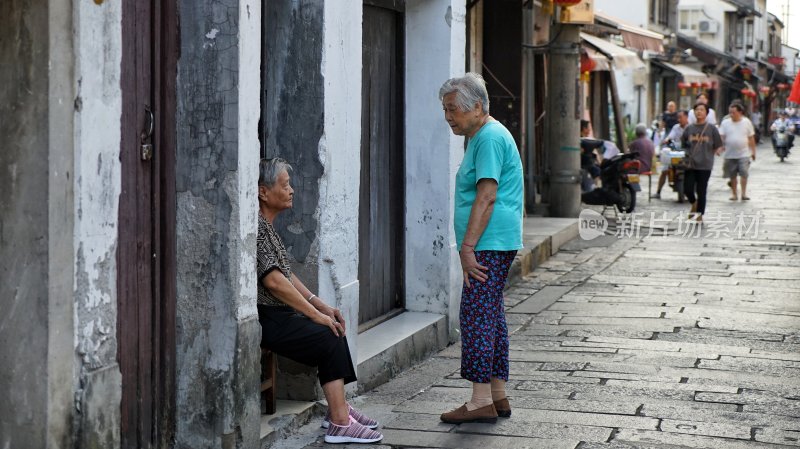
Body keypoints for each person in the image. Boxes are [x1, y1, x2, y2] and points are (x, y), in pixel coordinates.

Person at [256, 158, 383, 444]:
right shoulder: (257, 228)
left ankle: (340, 410)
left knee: (332, 325)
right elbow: (274, 281)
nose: (292, 191)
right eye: (285, 185)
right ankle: (339, 422)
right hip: (267, 317)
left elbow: (286, 273)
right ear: (264, 192)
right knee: (326, 335)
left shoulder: (268, 226)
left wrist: (320, 305)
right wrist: (315, 315)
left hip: (280, 313)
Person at [438, 73, 523, 424]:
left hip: (487, 242)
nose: (448, 117)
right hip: (496, 240)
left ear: (476, 106)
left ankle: (479, 400)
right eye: (445, 110)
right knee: (491, 317)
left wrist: (467, 247)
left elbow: (486, 196)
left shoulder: (487, 137)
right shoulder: (482, 135)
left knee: (476, 317)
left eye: (452, 109)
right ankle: (497, 395)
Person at [681, 103, 724, 222]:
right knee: (687, 189)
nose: (699, 112)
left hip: (705, 165)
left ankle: (700, 214)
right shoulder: (689, 128)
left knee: (701, 190)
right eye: (697, 110)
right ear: (694, 112)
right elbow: (683, 144)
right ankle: (694, 203)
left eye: (702, 110)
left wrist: (711, 154)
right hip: (691, 164)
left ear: (706, 113)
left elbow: (718, 145)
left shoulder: (711, 128)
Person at [719, 101, 756, 201]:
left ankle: (743, 193)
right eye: (730, 112)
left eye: (733, 112)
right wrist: (720, 147)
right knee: (732, 175)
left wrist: (753, 152)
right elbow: (722, 136)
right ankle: (734, 194)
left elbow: (751, 138)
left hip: (744, 153)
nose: (731, 115)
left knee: (744, 173)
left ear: (740, 112)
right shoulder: (725, 123)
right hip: (730, 154)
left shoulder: (746, 122)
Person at [653, 110, 689, 199]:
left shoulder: (690, 127)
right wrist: (667, 139)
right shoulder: (676, 127)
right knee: (665, 170)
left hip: (687, 153)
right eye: (678, 117)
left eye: (681, 117)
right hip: (676, 152)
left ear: (686, 117)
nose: (679, 119)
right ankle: (658, 192)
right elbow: (670, 136)